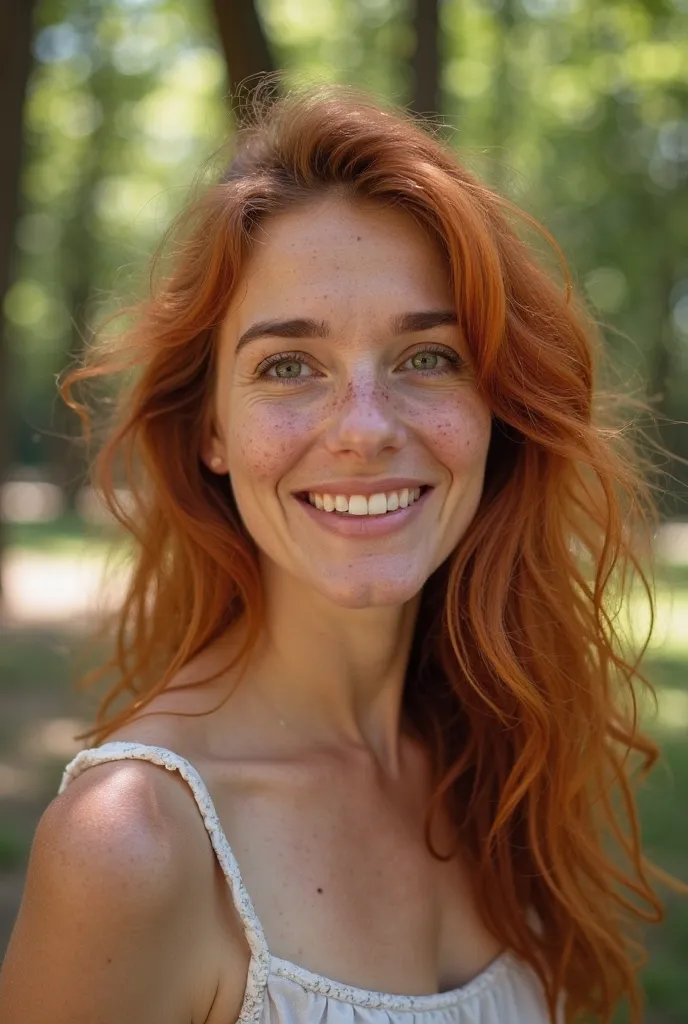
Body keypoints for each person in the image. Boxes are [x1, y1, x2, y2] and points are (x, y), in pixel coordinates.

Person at [0, 84, 678, 1024]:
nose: (365, 429)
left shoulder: (493, 757)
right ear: (213, 432)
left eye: (429, 357)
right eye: (289, 366)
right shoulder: (132, 844)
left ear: (496, 410)